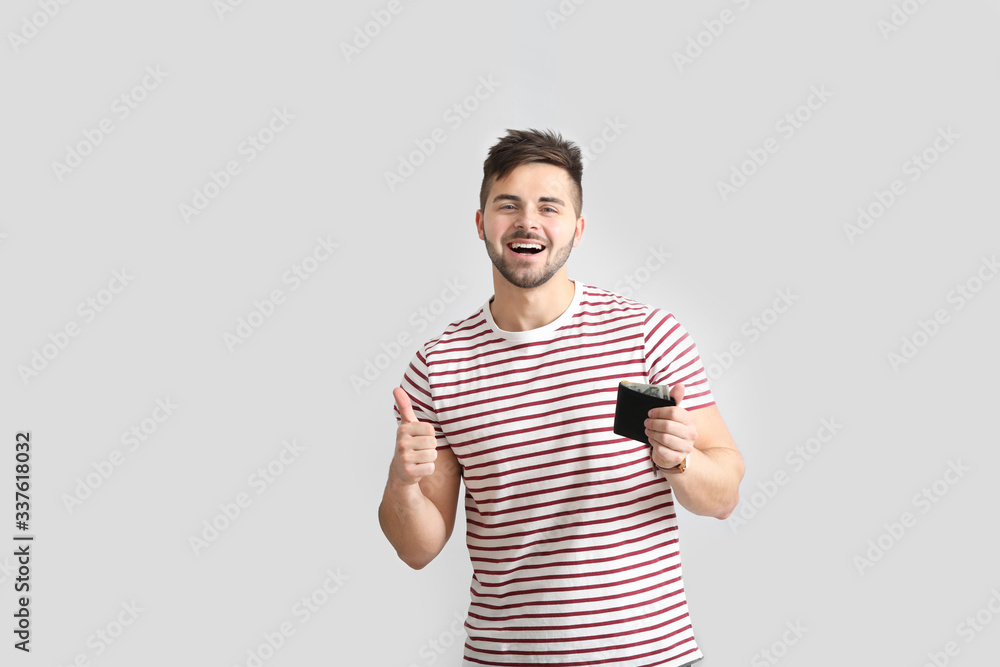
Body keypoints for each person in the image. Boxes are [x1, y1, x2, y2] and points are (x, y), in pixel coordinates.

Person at [378, 128, 744, 666]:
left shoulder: (645, 337)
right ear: (481, 223)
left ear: (577, 227)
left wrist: (680, 461)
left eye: (549, 207)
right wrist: (402, 483)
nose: (528, 221)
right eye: (508, 205)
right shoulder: (439, 365)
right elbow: (417, 549)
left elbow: (725, 498)